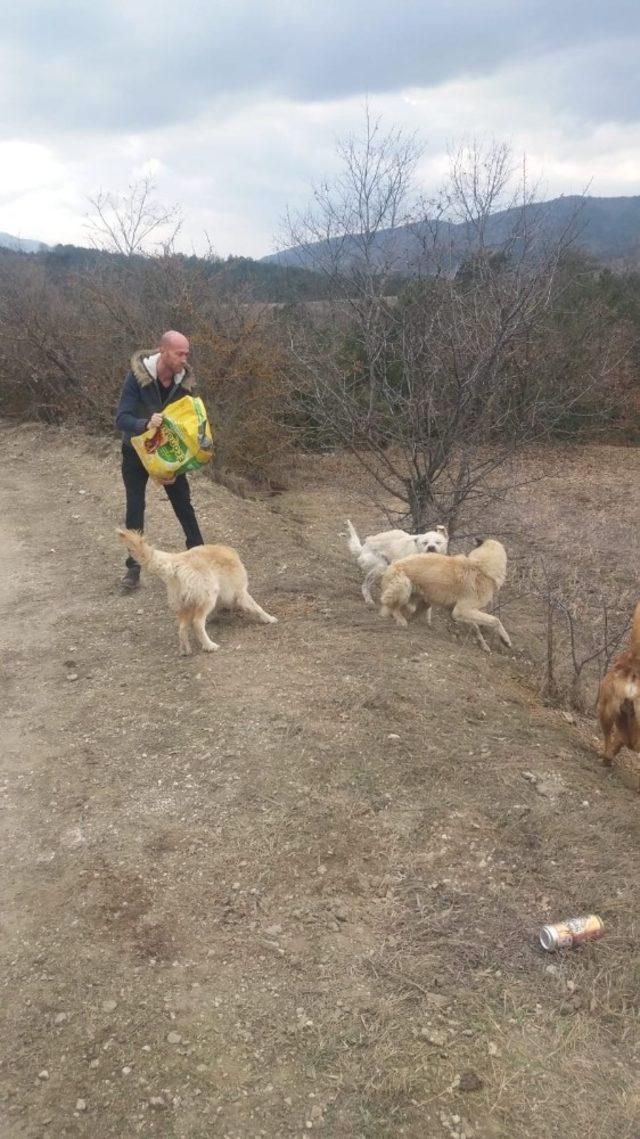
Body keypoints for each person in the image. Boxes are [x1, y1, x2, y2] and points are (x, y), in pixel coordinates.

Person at [115, 330, 205, 592]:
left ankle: (200, 556)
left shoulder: (184, 382)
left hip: (168, 454)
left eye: (187, 353)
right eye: (180, 353)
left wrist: (182, 464)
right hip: (135, 451)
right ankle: (133, 568)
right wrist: (145, 423)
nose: (185, 359)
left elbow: (187, 424)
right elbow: (122, 418)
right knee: (135, 505)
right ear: (163, 351)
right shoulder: (137, 377)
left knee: (184, 504)